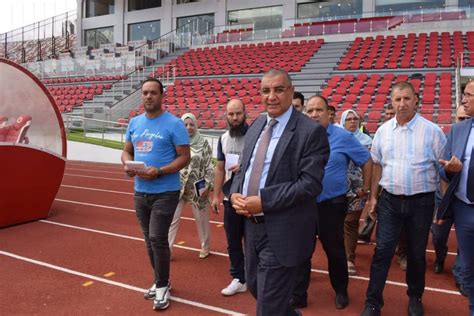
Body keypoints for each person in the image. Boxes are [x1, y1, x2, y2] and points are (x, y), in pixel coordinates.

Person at [229, 69, 330, 316]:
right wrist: (234, 192)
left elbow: (310, 184)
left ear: (291, 91)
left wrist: (263, 201)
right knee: (255, 287)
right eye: (266, 91)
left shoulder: (310, 131)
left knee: (268, 306)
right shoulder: (257, 125)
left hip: (284, 229)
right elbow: (243, 168)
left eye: (279, 89)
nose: (271, 96)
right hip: (252, 228)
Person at [361, 81, 446, 316]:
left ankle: (415, 297)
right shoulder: (382, 131)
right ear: (391, 102)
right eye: (397, 99)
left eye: (406, 98)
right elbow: (377, 165)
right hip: (389, 201)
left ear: (416, 100)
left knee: (417, 255)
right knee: (382, 252)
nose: (402, 104)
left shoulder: (433, 131)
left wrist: (443, 206)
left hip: (422, 202)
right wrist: (373, 198)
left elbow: (443, 170)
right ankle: (372, 303)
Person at [292, 96, 372, 310]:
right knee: (302, 250)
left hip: (332, 204)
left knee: (334, 251)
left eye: (319, 110)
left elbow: (366, 160)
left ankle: (340, 290)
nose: (314, 114)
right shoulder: (300, 135)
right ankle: (299, 294)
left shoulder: (343, 136)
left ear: (330, 113)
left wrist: (365, 188)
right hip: (305, 203)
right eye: (310, 111)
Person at [121, 78, 190, 311]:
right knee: (149, 240)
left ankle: (161, 285)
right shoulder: (134, 122)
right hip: (140, 191)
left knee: (157, 238)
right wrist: (127, 165)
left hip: (166, 191)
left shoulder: (174, 124)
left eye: (153, 93)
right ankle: (162, 280)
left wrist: (160, 171)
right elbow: (127, 151)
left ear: (162, 96)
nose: (148, 96)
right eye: (145, 93)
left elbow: (184, 157)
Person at [436, 80, 474, 314]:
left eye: (469, 94)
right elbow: (442, 168)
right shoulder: (458, 129)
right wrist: (450, 169)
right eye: (464, 94)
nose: (464, 99)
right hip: (464, 209)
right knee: (468, 267)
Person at [211, 98, 249, 296]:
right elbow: (219, 168)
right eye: (231, 114)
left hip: (252, 199)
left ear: (245, 113)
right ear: (226, 115)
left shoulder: (256, 136)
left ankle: (255, 276)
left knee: (254, 241)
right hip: (230, 199)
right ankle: (239, 278)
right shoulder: (223, 138)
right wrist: (216, 196)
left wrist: (244, 166)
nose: (235, 118)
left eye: (238, 114)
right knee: (233, 240)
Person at [431, 106, 468, 291]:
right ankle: (440, 256)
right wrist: (448, 170)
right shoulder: (450, 136)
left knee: (465, 239)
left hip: (465, 201)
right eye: (460, 118)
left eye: (466, 118)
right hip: (444, 198)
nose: (463, 121)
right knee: (438, 235)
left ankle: (460, 273)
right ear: (455, 118)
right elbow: (440, 170)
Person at [168, 113, 214, 259]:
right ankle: (167, 249)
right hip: (178, 186)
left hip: (198, 188)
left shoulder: (203, 143)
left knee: (202, 220)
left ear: (196, 125)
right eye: (185, 125)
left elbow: (209, 166)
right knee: (172, 219)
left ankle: (205, 246)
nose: (188, 127)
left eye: (191, 124)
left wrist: (208, 184)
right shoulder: (176, 142)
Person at [340, 109, 372, 276]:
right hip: (338, 190)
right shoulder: (337, 139)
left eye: (355, 119)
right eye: (349, 119)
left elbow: (371, 164)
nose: (352, 122)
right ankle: (341, 254)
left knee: (350, 224)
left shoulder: (367, 141)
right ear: (343, 122)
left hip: (358, 191)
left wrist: (366, 187)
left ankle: (349, 259)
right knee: (338, 225)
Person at [358, 103, 396, 244]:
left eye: (391, 114)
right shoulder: (382, 131)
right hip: (380, 176)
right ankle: (365, 233)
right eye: (387, 113)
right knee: (373, 205)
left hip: (394, 177)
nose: (389, 116)